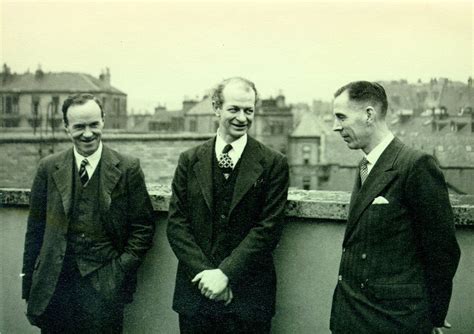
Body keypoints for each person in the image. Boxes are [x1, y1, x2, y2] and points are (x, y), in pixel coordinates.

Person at [329, 81, 461, 334]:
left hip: (392, 321)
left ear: (369, 115)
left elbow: (442, 250)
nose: (336, 127)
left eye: (341, 117)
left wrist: (433, 316)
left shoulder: (415, 165)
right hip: (352, 315)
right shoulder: (366, 166)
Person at [22, 93, 155, 333]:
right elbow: (35, 230)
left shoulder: (127, 167)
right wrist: (29, 284)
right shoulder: (48, 167)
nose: (87, 133)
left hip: (104, 289)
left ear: (103, 120)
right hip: (55, 287)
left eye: (94, 124)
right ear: (66, 127)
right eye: (79, 127)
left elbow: (142, 229)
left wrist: (118, 272)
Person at [167, 77, 289, 333]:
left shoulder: (273, 163)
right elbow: (177, 225)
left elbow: (268, 229)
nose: (242, 118)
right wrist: (208, 276)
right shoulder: (189, 160)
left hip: (248, 298)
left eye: (249, 110)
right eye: (234, 109)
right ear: (216, 108)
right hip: (196, 295)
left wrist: (225, 275)